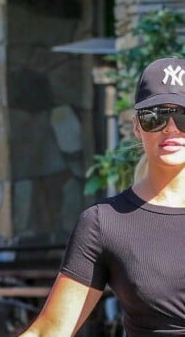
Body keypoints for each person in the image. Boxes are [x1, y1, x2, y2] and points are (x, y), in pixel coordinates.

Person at [21, 56, 185, 336]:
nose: (170, 127)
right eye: (155, 116)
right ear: (136, 127)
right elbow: (49, 331)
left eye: (183, 115)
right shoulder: (106, 222)